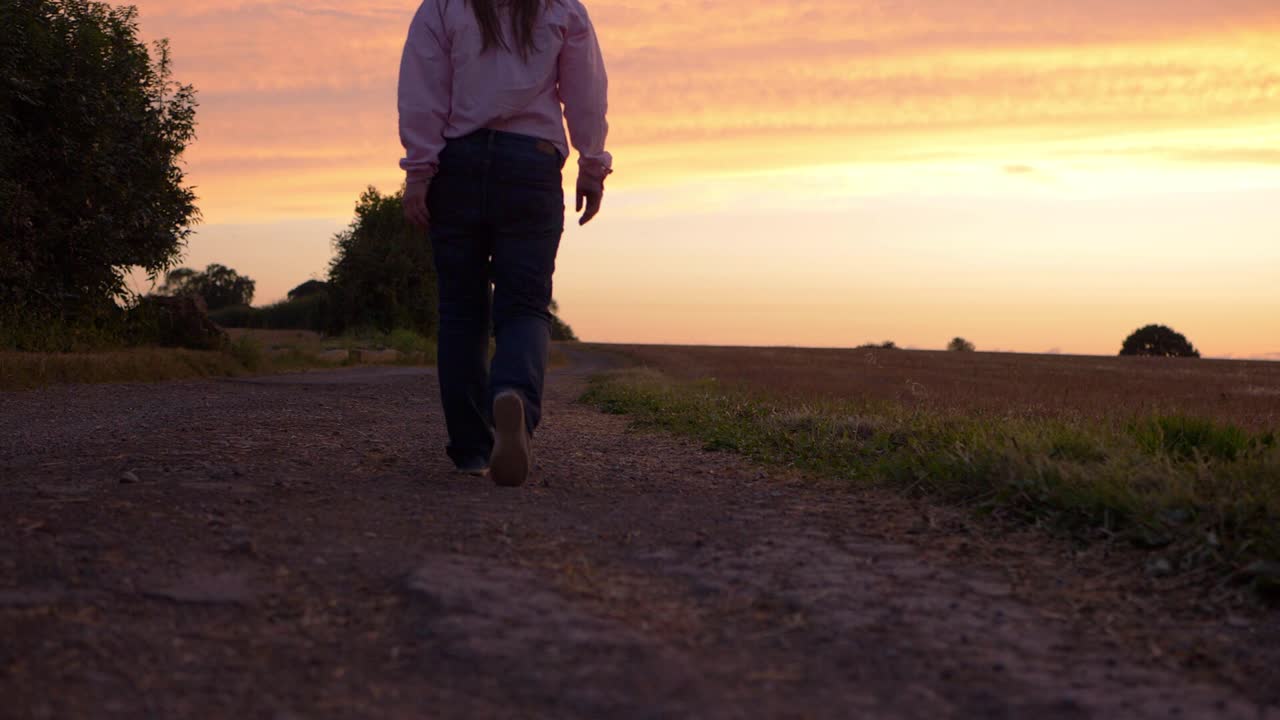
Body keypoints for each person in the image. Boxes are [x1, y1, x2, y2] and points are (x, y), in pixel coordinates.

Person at [398, 0, 611, 487]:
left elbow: (422, 91)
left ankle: (473, 450)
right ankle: (511, 393)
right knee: (525, 306)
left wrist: (419, 172)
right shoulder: (561, 8)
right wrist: (592, 165)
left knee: (461, 309)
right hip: (531, 165)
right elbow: (586, 93)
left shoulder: (442, 8)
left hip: (458, 165)